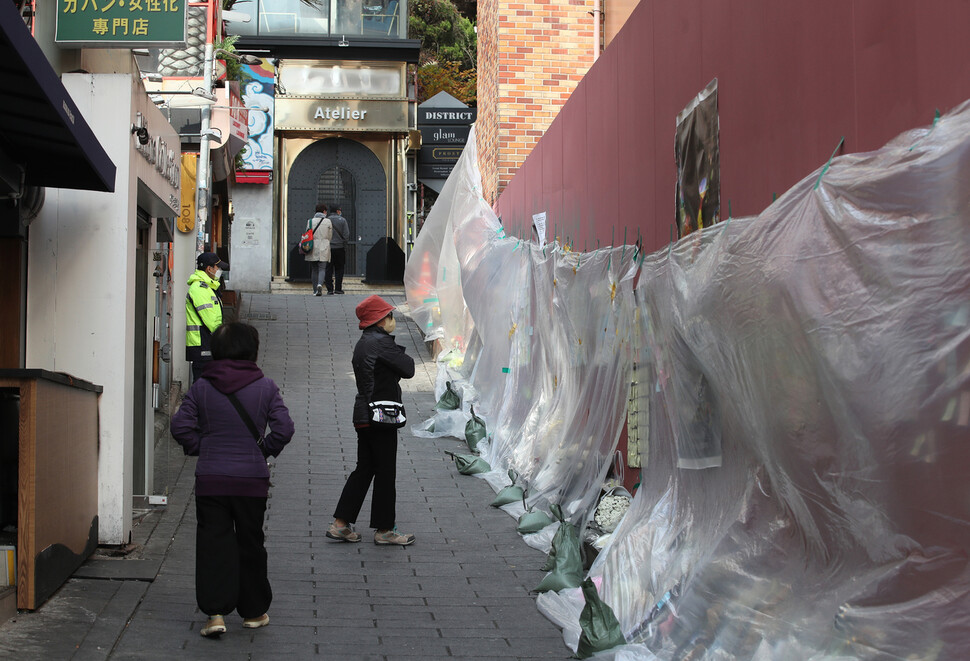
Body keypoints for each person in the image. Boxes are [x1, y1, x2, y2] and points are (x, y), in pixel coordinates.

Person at [170, 322, 295, 638]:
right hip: (251, 482)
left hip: (211, 480)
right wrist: (263, 450)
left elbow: (180, 427)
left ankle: (215, 614)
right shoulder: (265, 386)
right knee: (251, 543)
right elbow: (284, 428)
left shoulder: (202, 387)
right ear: (251, 350)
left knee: (214, 543)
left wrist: (204, 447)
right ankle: (253, 612)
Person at [328, 295, 416, 546]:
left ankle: (341, 524)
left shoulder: (365, 342)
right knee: (385, 471)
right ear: (380, 320)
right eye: (390, 316)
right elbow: (408, 368)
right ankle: (385, 529)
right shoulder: (381, 343)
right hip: (381, 416)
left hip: (364, 414)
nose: (393, 320)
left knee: (365, 469)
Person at [186, 252, 228, 382]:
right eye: (217, 267)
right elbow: (211, 320)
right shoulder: (200, 289)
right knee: (203, 386)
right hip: (203, 345)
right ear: (208, 269)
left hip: (206, 345)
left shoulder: (208, 287)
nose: (219, 270)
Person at [304, 203, 332, 296]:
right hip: (324, 246)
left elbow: (307, 233)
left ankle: (315, 290)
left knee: (314, 269)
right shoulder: (328, 221)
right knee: (322, 268)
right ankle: (320, 284)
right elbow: (330, 235)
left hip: (313, 246)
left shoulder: (310, 221)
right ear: (324, 211)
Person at [325, 205, 351, 295]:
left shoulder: (326, 221)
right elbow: (346, 234)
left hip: (329, 248)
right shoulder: (343, 220)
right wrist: (344, 243)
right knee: (339, 269)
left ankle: (329, 289)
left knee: (328, 269)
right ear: (337, 211)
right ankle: (338, 288)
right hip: (340, 248)